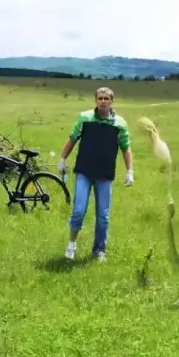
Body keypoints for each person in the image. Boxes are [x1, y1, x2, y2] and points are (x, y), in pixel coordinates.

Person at [57, 85, 133, 262]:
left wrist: (130, 171)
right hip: (84, 171)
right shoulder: (85, 118)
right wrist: (62, 159)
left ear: (112, 102)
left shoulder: (120, 124)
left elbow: (126, 148)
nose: (103, 102)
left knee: (103, 216)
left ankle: (99, 251)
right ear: (96, 100)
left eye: (106, 99)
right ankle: (71, 244)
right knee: (78, 210)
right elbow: (72, 139)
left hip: (105, 174)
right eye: (100, 98)